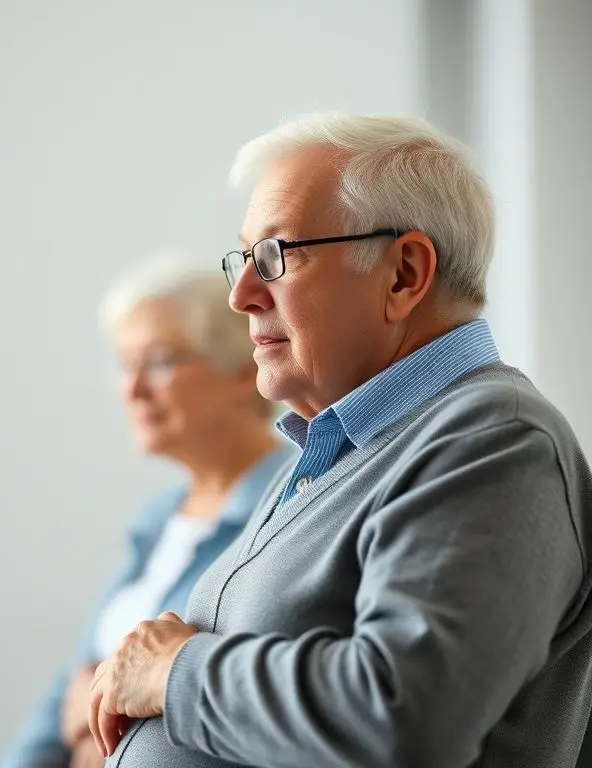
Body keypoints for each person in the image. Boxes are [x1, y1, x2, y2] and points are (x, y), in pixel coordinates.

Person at [86, 114, 592, 768]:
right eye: (243, 258)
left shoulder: (496, 442)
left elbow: (402, 719)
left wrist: (177, 671)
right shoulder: (331, 450)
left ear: (403, 274)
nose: (242, 295)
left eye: (274, 255)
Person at [0, 263, 290, 768]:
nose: (132, 389)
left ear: (243, 373)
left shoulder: (287, 508)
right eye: (124, 365)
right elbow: (71, 687)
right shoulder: (157, 520)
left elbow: (246, 700)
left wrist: (100, 718)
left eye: (158, 362)